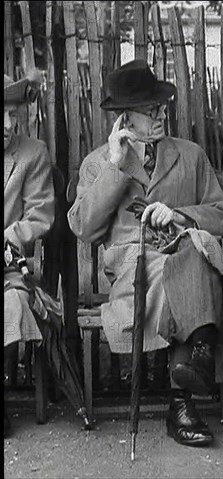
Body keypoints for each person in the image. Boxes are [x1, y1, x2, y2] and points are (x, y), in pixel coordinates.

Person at [68, 60, 223, 447]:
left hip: (187, 257)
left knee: (194, 252)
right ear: (124, 119)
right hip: (134, 270)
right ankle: (197, 355)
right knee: (194, 265)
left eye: (162, 106)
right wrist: (115, 167)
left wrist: (179, 215)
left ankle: (183, 391)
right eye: (151, 110)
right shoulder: (98, 163)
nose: (162, 114)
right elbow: (84, 228)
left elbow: (222, 218)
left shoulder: (190, 155)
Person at [4, 70, 55, 437]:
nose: (8, 124)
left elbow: (39, 214)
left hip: (7, 265)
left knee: (11, 302)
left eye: (12, 114)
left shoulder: (32, 154)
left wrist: (8, 238)